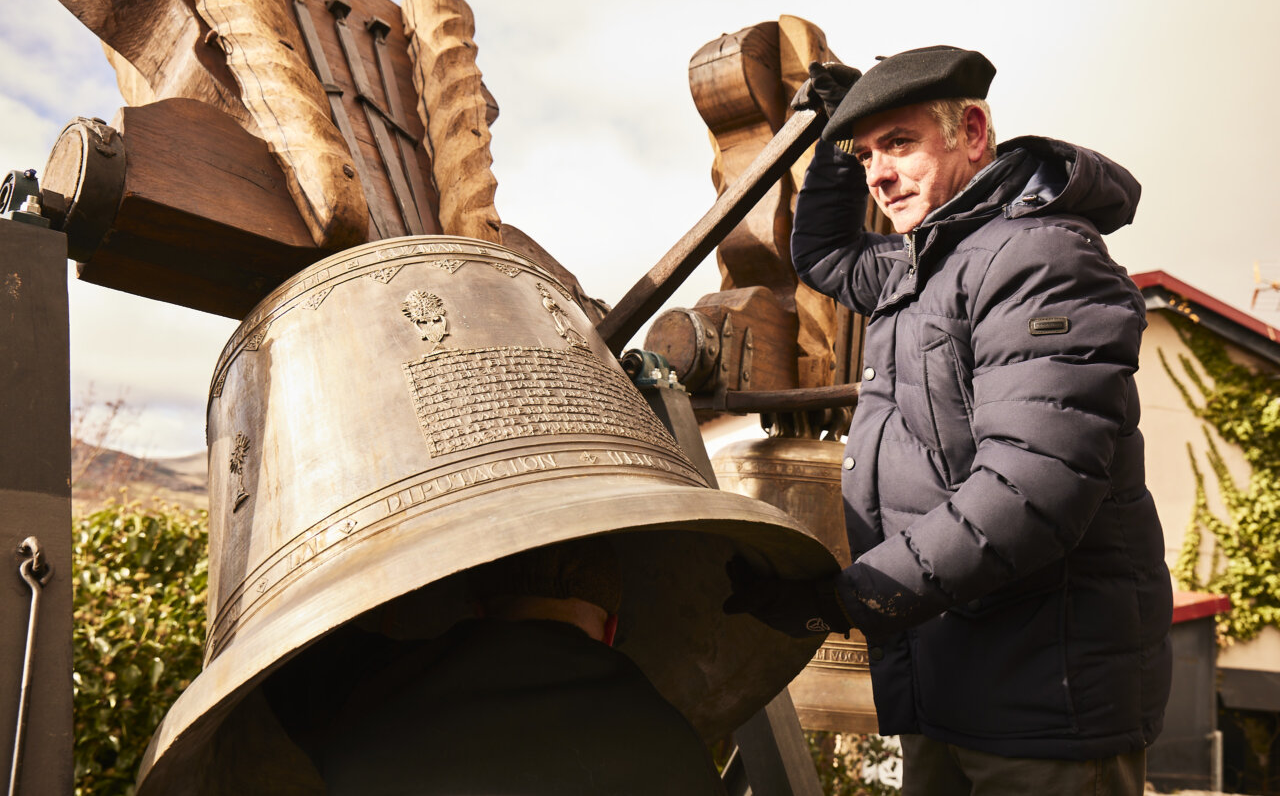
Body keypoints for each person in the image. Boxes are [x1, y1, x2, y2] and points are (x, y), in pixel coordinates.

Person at [724, 46, 1172, 795]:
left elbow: (1029, 490)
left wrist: (851, 597)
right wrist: (834, 142)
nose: (878, 173)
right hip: (949, 682)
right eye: (867, 154)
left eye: (899, 144)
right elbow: (825, 253)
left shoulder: (1039, 258)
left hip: (1043, 705)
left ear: (971, 132)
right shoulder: (924, 264)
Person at [266, 537, 727, 795]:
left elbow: (279, 652)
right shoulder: (675, 745)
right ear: (611, 630)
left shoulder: (369, 689)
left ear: (478, 611)